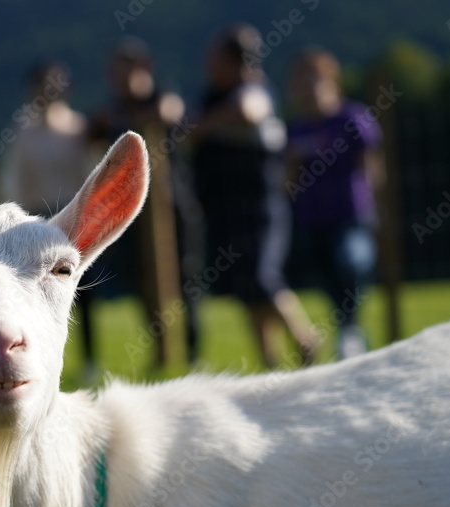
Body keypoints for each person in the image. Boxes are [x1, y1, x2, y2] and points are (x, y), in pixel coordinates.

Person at [191, 25, 316, 369]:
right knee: (247, 286)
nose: (209, 64)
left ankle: (304, 340)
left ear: (237, 63)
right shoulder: (211, 97)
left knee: (263, 276)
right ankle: (270, 362)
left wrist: (204, 125)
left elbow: (249, 111)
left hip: (261, 206)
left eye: (215, 58)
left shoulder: (254, 90)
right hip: (225, 209)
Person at [87, 37, 205, 369]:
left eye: (124, 71)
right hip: (131, 214)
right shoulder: (112, 110)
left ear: (144, 69)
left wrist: (120, 116)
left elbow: (170, 112)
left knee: (186, 280)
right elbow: (91, 134)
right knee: (141, 281)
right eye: (114, 72)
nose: (118, 79)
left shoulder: (162, 98)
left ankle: (193, 352)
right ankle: (160, 349)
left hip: (174, 207)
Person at [285, 47, 383, 359]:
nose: (306, 88)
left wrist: (375, 208)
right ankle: (348, 329)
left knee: (351, 263)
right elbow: (288, 181)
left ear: (330, 82)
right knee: (327, 278)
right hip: (312, 218)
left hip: (351, 214)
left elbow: (372, 165)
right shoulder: (297, 128)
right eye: (300, 82)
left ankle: (350, 332)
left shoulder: (351, 118)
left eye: (311, 80)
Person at [0, 62, 90, 217]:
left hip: (74, 213)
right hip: (35, 215)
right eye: (44, 84)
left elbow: (88, 169)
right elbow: (13, 177)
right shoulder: (23, 129)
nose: (50, 90)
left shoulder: (78, 126)